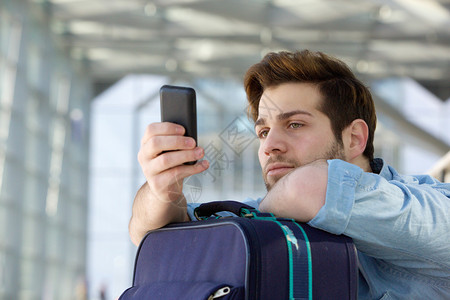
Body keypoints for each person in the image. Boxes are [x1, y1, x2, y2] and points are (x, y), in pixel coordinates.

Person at [129, 50, 450, 299]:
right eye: (263, 131)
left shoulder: (431, 210)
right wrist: (163, 191)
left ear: (354, 138)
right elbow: (148, 237)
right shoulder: (261, 213)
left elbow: (311, 189)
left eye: (294, 124)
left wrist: (252, 227)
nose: (270, 145)